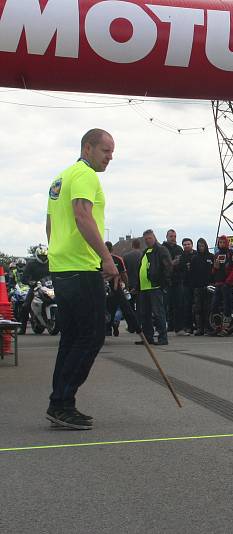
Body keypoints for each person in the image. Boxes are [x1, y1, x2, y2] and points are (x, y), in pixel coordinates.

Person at [45, 128, 119, 430]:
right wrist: (106, 256)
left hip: (61, 267)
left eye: (112, 152)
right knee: (91, 337)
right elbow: (82, 215)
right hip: (81, 268)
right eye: (106, 151)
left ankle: (59, 402)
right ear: (88, 148)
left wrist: (55, 255)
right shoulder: (86, 176)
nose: (110, 158)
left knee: (72, 338)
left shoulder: (59, 179)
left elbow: (50, 225)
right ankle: (63, 401)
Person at [136, 229, 172, 346]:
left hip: (155, 287)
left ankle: (163, 337)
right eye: (145, 239)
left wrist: (164, 283)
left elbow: (168, 267)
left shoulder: (161, 250)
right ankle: (148, 338)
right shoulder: (145, 251)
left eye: (149, 238)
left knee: (158, 313)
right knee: (145, 314)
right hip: (144, 288)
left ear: (154, 237)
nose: (147, 241)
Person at [104, 241, 137, 336]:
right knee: (122, 308)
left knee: (108, 308)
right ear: (112, 249)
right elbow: (124, 274)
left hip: (104, 288)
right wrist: (126, 286)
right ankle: (129, 325)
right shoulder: (118, 259)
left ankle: (108, 328)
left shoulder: (100, 259)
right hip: (117, 288)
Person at [17, 245, 50, 334]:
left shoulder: (51, 262)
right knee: (25, 306)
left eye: (45, 256)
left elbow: (56, 273)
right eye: (41, 256)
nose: (43, 258)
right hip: (35, 288)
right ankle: (22, 328)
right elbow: (23, 278)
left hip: (50, 287)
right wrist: (30, 282)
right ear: (37, 255)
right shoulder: (31, 264)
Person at [210, 235, 233, 333]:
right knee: (214, 306)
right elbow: (213, 271)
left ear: (227, 243)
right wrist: (215, 267)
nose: (221, 244)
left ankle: (225, 328)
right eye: (220, 242)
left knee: (227, 306)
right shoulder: (216, 254)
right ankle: (218, 327)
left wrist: (228, 282)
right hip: (218, 284)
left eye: (223, 242)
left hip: (227, 285)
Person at [188, 238, 214, 336]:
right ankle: (200, 328)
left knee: (208, 308)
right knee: (198, 309)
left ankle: (208, 327)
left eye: (202, 246)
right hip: (197, 287)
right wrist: (193, 285)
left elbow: (214, 271)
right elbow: (191, 273)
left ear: (206, 246)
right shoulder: (194, 258)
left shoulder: (211, 257)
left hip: (209, 286)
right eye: (199, 246)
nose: (201, 248)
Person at [174, 238, 195, 335]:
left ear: (192, 244)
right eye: (185, 244)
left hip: (196, 284)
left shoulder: (196, 254)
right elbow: (177, 269)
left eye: (188, 244)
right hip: (185, 284)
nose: (186, 246)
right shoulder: (181, 257)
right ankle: (188, 326)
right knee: (186, 306)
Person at [161, 229, 182, 332]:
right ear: (166, 236)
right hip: (166, 281)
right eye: (171, 236)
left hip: (177, 280)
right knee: (165, 305)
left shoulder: (179, 249)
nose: (173, 238)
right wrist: (172, 263)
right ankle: (166, 326)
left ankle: (178, 327)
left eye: (174, 236)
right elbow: (162, 265)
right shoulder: (162, 249)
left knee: (178, 304)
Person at [122, 237, 142, 314]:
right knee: (140, 306)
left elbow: (123, 272)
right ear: (139, 245)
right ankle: (140, 322)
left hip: (129, 284)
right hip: (141, 285)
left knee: (130, 306)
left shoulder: (126, 256)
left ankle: (132, 324)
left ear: (132, 245)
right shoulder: (143, 255)